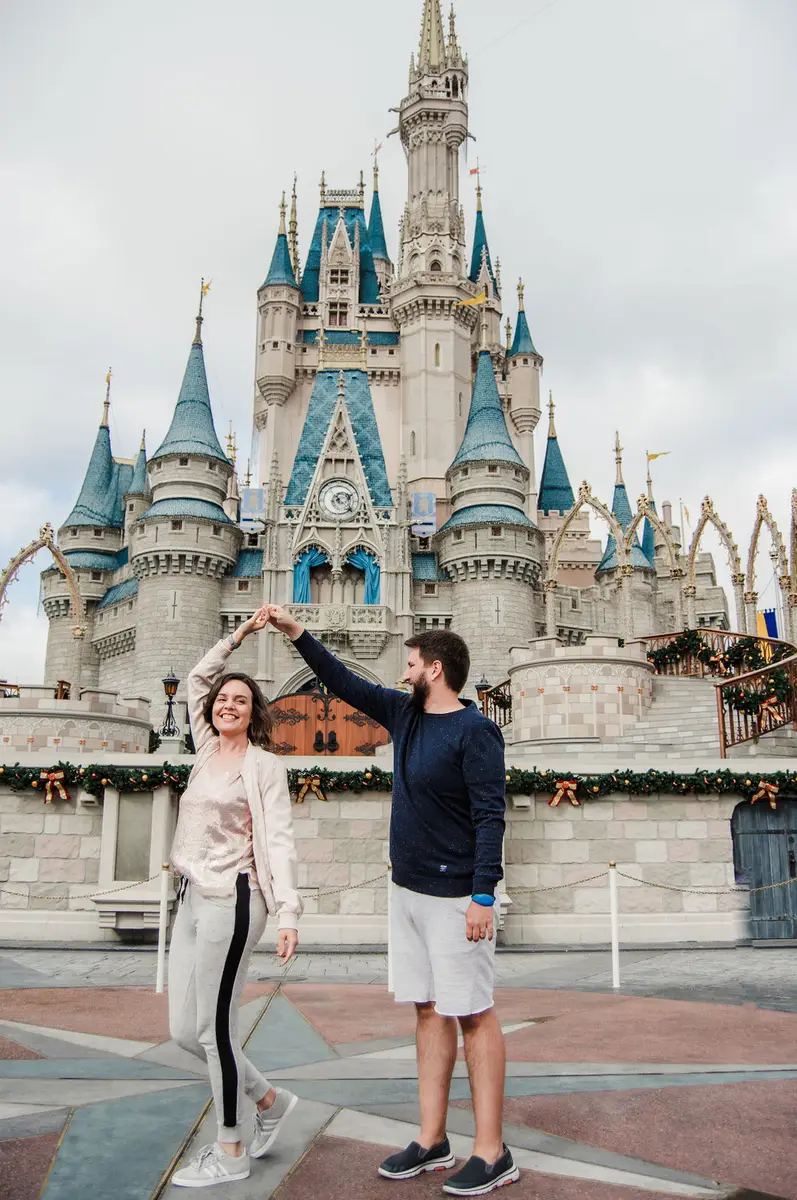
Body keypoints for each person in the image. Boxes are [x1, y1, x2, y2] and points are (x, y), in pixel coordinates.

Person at [265, 605, 519, 1196]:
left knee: (474, 1013)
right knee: (427, 1009)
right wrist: (297, 634)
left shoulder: (475, 731)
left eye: (409, 664)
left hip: (458, 896)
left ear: (434, 668)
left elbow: (490, 815)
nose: (402, 673)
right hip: (406, 891)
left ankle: (492, 1149)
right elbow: (342, 681)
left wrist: (484, 891)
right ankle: (432, 1139)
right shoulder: (404, 715)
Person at [168, 608, 302, 1189]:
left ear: (254, 714)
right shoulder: (203, 751)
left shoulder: (264, 766)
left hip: (236, 898)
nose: (227, 704)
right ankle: (268, 1100)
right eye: (224, 699)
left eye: (241, 701)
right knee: (182, 1030)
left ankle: (230, 1150)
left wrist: (289, 911)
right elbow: (199, 677)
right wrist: (239, 636)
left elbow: (278, 840)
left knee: (214, 1029)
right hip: (192, 899)